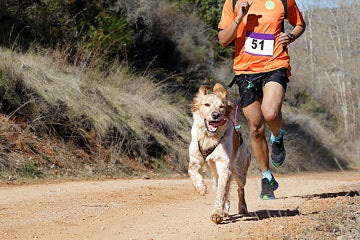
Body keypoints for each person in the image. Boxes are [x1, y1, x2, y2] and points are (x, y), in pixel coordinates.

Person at [218, 0, 305, 200]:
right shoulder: (232, 3)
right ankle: (267, 177)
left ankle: (276, 136)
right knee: (256, 128)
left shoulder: (284, 1)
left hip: (275, 65)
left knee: (270, 112)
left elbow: (300, 24)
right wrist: (239, 18)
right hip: (246, 72)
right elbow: (223, 40)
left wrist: (291, 36)